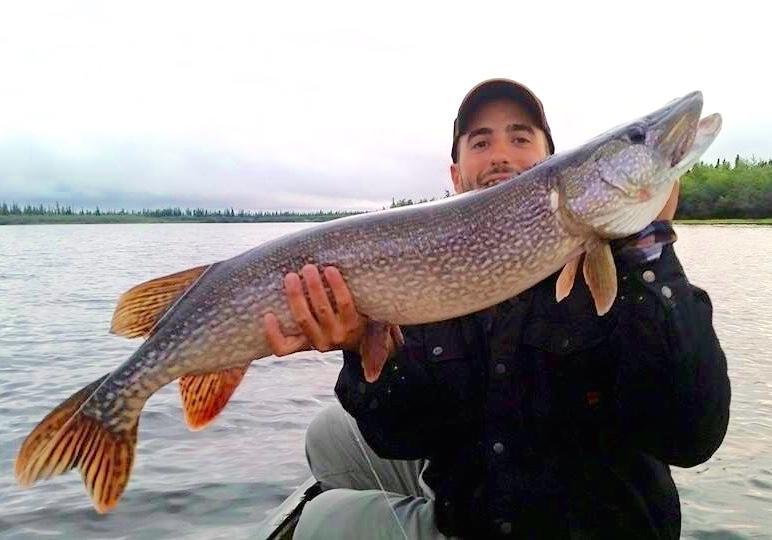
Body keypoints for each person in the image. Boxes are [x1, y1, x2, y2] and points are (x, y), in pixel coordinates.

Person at [263, 79, 731, 539]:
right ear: (455, 174)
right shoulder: (433, 277)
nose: (501, 154)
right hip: (477, 509)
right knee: (329, 435)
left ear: (552, 161)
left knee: (323, 522)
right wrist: (361, 348)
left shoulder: (621, 273)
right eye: (481, 141)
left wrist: (647, 248)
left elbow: (692, 436)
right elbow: (406, 434)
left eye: (520, 137)